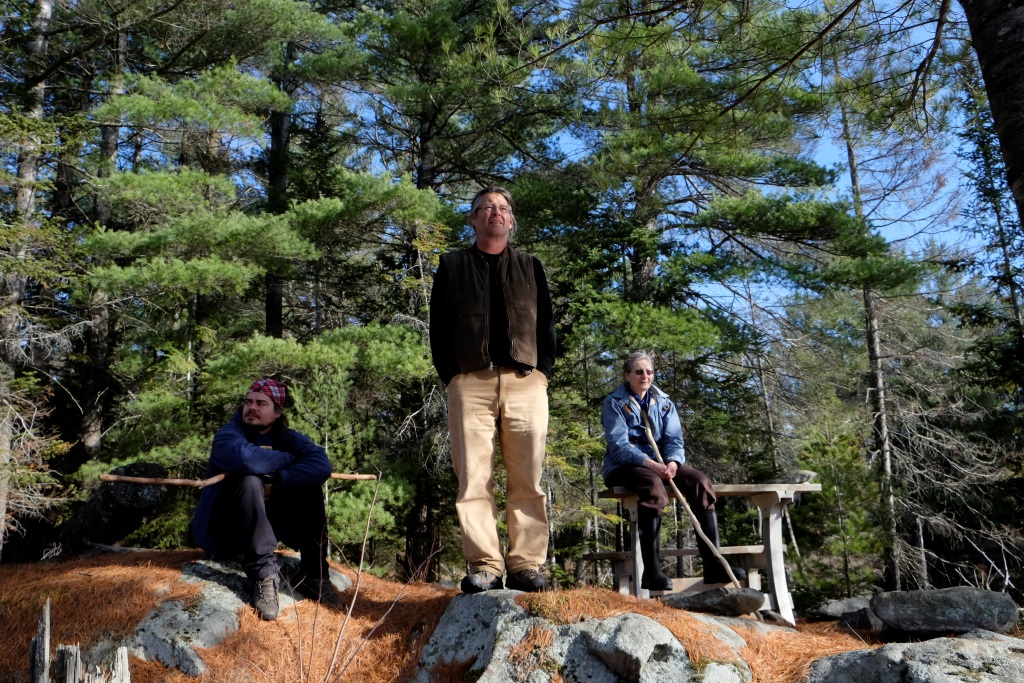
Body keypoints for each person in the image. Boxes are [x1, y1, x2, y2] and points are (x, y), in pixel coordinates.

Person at [429, 186, 556, 594]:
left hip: (525, 381)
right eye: (486, 207)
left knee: (528, 477)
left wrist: (542, 373)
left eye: (502, 208)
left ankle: (526, 565)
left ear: (511, 221)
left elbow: (546, 324)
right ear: (473, 219)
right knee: (473, 479)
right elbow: (438, 328)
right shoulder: (451, 266)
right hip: (470, 381)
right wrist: (453, 376)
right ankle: (485, 566)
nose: (495, 213)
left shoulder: (530, 266)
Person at [191, 379, 342, 620]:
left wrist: (281, 477)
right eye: (248, 402)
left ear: (277, 411)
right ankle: (263, 577)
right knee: (250, 480)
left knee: (309, 485)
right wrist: (290, 460)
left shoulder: (289, 438)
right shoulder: (227, 435)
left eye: (261, 403)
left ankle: (313, 575)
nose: (252, 407)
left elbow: (321, 466)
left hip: (263, 529)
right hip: (224, 532)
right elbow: (249, 460)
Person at [601, 351, 745, 590]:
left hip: (661, 464)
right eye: (638, 372)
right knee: (652, 485)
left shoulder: (664, 402)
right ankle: (651, 572)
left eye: (649, 371)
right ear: (627, 375)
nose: (645, 376)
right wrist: (649, 463)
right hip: (623, 466)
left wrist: (674, 463)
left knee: (700, 482)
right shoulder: (614, 403)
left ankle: (714, 566)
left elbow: (674, 440)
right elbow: (618, 446)